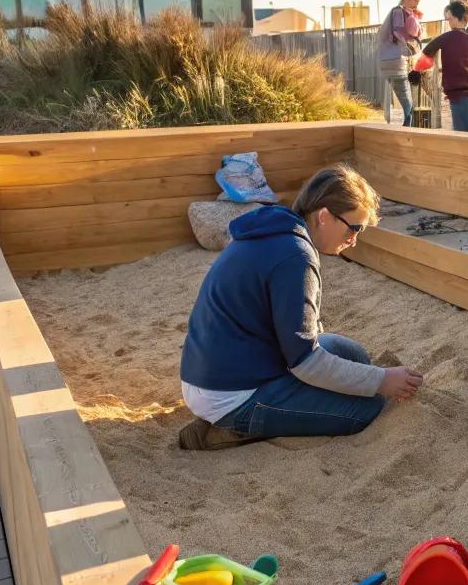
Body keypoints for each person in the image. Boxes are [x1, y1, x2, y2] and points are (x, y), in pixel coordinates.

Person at [178, 165, 423, 448]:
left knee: (352, 354)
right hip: (231, 394)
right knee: (366, 408)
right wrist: (382, 380)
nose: (354, 239)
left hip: (223, 367)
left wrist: (373, 378)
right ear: (324, 216)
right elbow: (306, 363)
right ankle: (230, 428)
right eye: (353, 228)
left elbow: (302, 338)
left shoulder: (279, 229)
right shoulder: (295, 256)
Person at [418, 0, 468, 133]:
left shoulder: (447, 37)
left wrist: (418, 70)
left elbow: (428, 50)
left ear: (459, 18)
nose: (449, 22)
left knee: (461, 136)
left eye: (450, 19)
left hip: (460, 95)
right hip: (466, 95)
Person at [377, 0, 423, 126]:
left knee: (402, 101)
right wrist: (415, 21)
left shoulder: (399, 12)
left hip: (388, 60)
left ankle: (404, 128)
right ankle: (407, 131)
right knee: (408, 106)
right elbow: (402, 31)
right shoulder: (399, 11)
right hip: (395, 61)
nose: (417, 0)